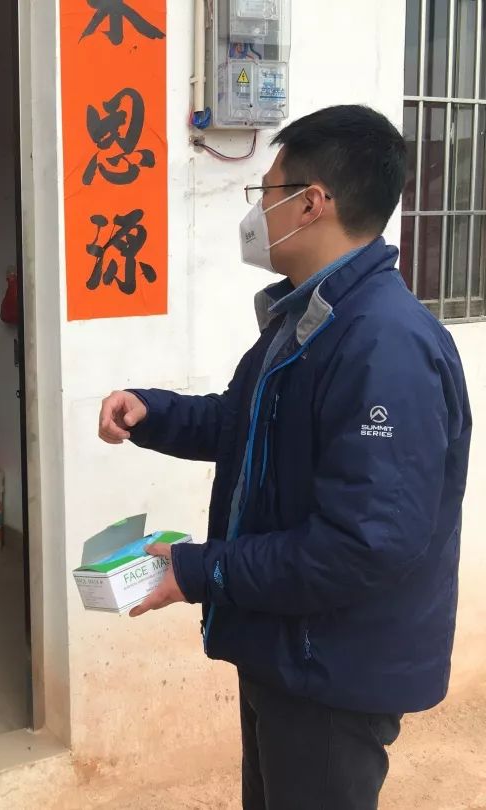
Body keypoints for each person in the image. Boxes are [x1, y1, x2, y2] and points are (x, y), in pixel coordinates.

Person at [99, 105, 471, 810]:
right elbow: (244, 423)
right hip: (285, 644)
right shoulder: (309, 319)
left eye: (265, 192)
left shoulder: (384, 345)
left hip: (334, 669)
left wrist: (198, 570)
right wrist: (152, 412)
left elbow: (363, 544)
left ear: (311, 203)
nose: (257, 214)